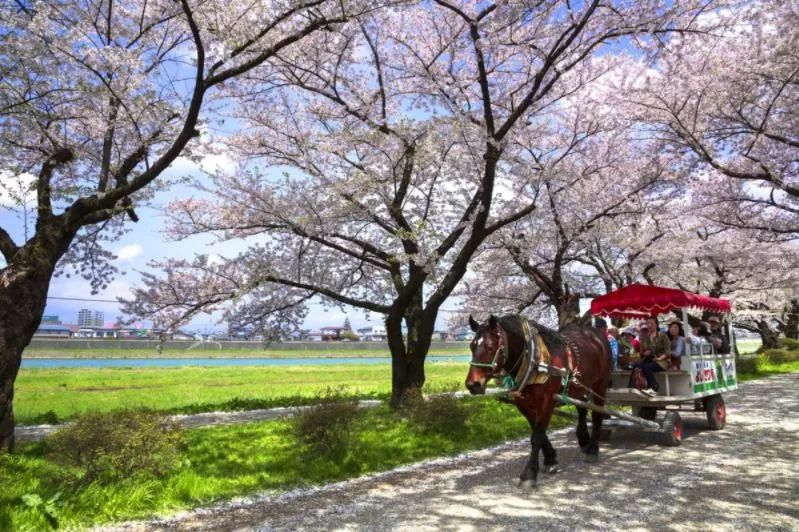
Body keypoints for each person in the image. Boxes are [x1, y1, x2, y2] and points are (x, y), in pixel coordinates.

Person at [631, 316, 671, 396]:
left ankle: (654, 387)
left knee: (647, 367)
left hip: (662, 361)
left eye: (651, 323)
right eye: (647, 323)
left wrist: (659, 358)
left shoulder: (663, 336)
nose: (649, 325)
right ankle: (632, 387)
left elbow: (667, 352)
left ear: (656, 325)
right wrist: (644, 353)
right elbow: (641, 352)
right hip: (649, 359)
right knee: (636, 365)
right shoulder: (645, 338)